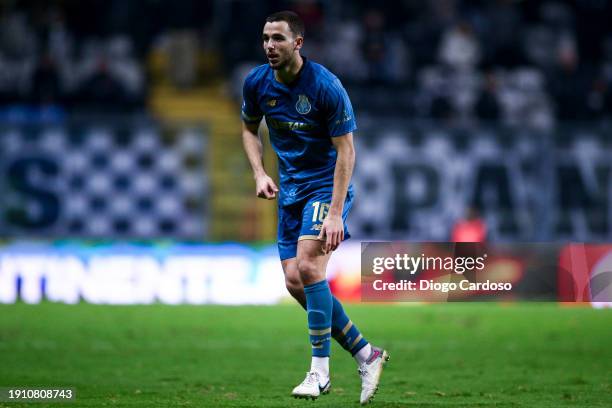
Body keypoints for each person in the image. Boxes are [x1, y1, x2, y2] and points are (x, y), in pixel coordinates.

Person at [241, 10, 389, 405]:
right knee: (294, 281)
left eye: (278, 39)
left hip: (325, 188)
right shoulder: (257, 82)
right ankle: (366, 353)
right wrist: (259, 172)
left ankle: (319, 373)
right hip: (289, 191)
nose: (270, 46)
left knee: (309, 267)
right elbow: (248, 127)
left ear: (298, 43)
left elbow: (347, 151)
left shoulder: (325, 87)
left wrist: (337, 212)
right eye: (266, 38)